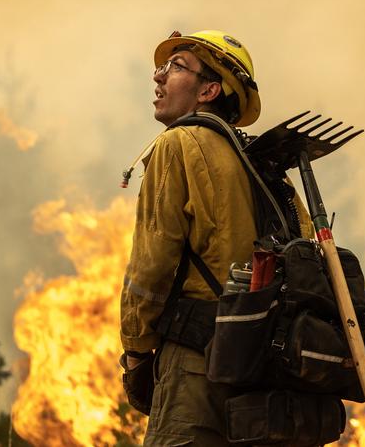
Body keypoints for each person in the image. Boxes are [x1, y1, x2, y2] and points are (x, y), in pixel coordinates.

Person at [118, 30, 307, 446]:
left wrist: (135, 351)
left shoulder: (178, 145)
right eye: (162, 67)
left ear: (209, 89)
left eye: (176, 66)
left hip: (195, 371)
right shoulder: (269, 169)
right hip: (267, 376)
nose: (159, 77)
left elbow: (152, 266)